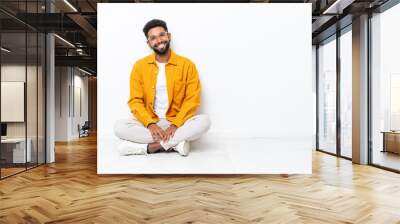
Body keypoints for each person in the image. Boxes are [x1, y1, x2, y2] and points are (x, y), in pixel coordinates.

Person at [114, 19, 211, 156]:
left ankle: (148, 148)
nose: (159, 40)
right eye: (153, 38)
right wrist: (150, 124)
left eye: (161, 35)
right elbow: (135, 101)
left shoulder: (187, 65)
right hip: (151, 124)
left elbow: (192, 99)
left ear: (168, 36)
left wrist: (175, 125)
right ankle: (176, 144)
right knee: (119, 127)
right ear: (149, 43)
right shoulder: (139, 66)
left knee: (204, 121)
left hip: (178, 123)